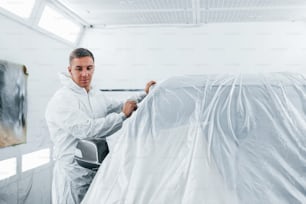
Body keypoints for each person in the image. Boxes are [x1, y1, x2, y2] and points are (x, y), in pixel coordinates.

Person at [45, 48, 156, 204]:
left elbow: (118, 105)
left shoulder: (94, 94)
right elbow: (86, 129)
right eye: (79, 69)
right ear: (70, 70)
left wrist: (143, 95)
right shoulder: (63, 99)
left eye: (89, 68)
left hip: (94, 172)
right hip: (72, 177)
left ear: (94, 68)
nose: (85, 74)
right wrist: (122, 116)